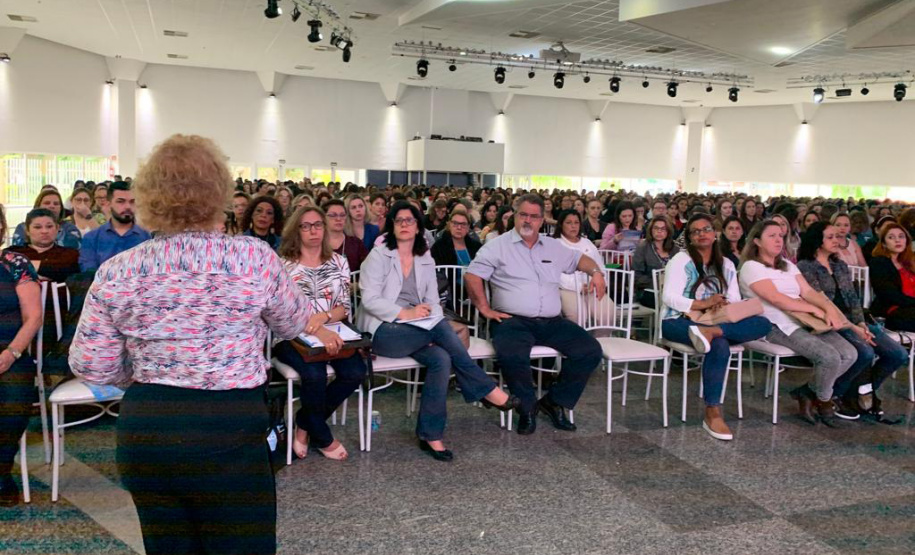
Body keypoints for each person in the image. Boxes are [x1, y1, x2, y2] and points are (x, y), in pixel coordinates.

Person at [69, 134, 309, 555]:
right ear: (219, 190)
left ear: (149, 195)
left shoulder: (118, 269)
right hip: (228, 426)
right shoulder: (252, 258)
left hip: (150, 425)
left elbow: (91, 364)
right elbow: (295, 322)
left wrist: (149, 376)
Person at [357, 201, 518, 461]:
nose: (405, 225)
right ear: (392, 225)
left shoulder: (424, 256)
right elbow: (370, 300)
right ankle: (485, 387)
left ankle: (431, 435)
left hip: (420, 329)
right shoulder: (379, 255)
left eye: (410, 220)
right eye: (399, 220)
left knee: (442, 359)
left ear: (419, 226)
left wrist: (422, 315)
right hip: (383, 331)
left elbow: (433, 301)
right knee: (445, 331)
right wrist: (405, 314)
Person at [465, 194, 605, 435]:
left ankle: (554, 402)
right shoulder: (497, 246)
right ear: (515, 216)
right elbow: (472, 275)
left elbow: (580, 259)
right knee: (512, 354)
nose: (528, 221)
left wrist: (596, 272)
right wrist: (484, 308)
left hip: (551, 320)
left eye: (534, 216)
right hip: (512, 320)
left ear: (542, 220)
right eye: (523, 215)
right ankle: (526, 409)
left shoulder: (553, 246)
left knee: (590, 350)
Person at [660, 214, 771, 441]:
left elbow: (735, 298)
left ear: (714, 234)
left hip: (713, 322)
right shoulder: (681, 261)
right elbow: (669, 297)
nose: (702, 234)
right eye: (696, 231)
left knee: (764, 323)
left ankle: (712, 332)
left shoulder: (727, 264)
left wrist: (724, 304)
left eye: (706, 229)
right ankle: (713, 411)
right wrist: (703, 304)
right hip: (678, 321)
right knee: (719, 346)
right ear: (690, 238)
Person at [738, 220, 857, 427]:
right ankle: (824, 402)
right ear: (757, 241)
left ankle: (806, 392)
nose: (778, 240)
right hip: (776, 324)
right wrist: (813, 309)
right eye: (772, 236)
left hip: (805, 320)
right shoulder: (751, 267)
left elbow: (809, 292)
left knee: (850, 354)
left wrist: (827, 309)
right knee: (828, 357)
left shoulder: (788, 265)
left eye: (780, 236)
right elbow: (776, 299)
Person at [273, 205, 365, 461]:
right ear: (296, 230)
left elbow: (343, 308)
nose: (313, 230)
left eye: (318, 225)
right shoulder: (283, 265)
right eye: (305, 226)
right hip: (290, 336)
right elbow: (281, 312)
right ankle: (323, 436)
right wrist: (317, 330)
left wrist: (323, 319)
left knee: (355, 371)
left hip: (335, 332)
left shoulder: (339, 261)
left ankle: (304, 422)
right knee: (313, 375)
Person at [797, 222, 907, 420]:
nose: (836, 241)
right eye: (830, 237)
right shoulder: (806, 267)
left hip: (854, 320)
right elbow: (823, 303)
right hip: (830, 321)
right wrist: (854, 327)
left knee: (897, 354)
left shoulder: (839, 265)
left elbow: (853, 297)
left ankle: (855, 391)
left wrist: (862, 324)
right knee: (864, 352)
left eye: (837, 237)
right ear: (817, 241)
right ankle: (834, 395)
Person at [0, 251, 41, 506]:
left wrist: (10, 354)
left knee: (14, 403)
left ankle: (1, 472)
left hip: (11, 351)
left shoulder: (14, 263)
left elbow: (34, 317)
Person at [554, 209, 613, 323]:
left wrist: (597, 282)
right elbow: (556, 273)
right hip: (567, 288)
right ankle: (576, 341)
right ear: (561, 224)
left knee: (607, 315)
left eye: (576, 223)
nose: (573, 226)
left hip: (592, 287)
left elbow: (600, 266)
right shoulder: (556, 243)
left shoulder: (587, 243)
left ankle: (599, 340)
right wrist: (579, 286)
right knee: (578, 315)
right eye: (569, 223)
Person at [78, 182, 151, 272]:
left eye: (132, 202)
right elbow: (89, 273)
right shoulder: (92, 238)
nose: (128, 206)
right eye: (121, 201)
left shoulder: (147, 238)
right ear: (109, 204)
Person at [6, 208, 80, 284]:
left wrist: (23, 269)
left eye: (49, 226)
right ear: (27, 231)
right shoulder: (12, 252)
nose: (44, 231)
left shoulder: (70, 254)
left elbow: (63, 270)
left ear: (57, 228)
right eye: (37, 227)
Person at [869, 222, 915, 333]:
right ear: (884, 243)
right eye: (891, 237)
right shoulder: (879, 262)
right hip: (893, 309)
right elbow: (888, 295)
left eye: (901, 236)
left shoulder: (909, 262)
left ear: (907, 241)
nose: (897, 240)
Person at [633, 216, 679, 308]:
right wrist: (658, 282)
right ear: (651, 230)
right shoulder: (643, 248)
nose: (659, 231)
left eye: (663, 229)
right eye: (656, 228)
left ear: (668, 231)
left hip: (672, 290)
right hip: (649, 291)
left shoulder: (675, 249)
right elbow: (637, 277)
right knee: (671, 300)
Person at [11, 189, 82, 249]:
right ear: (38, 205)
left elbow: (73, 249)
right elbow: (18, 250)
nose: (52, 206)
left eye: (56, 204)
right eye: (47, 203)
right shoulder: (22, 227)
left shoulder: (70, 228)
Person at [323, 199, 368, 271]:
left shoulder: (356, 244)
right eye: (333, 215)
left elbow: (368, 269)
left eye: (342, 215)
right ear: (323, 218)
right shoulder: (317, 244)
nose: (338, 219)